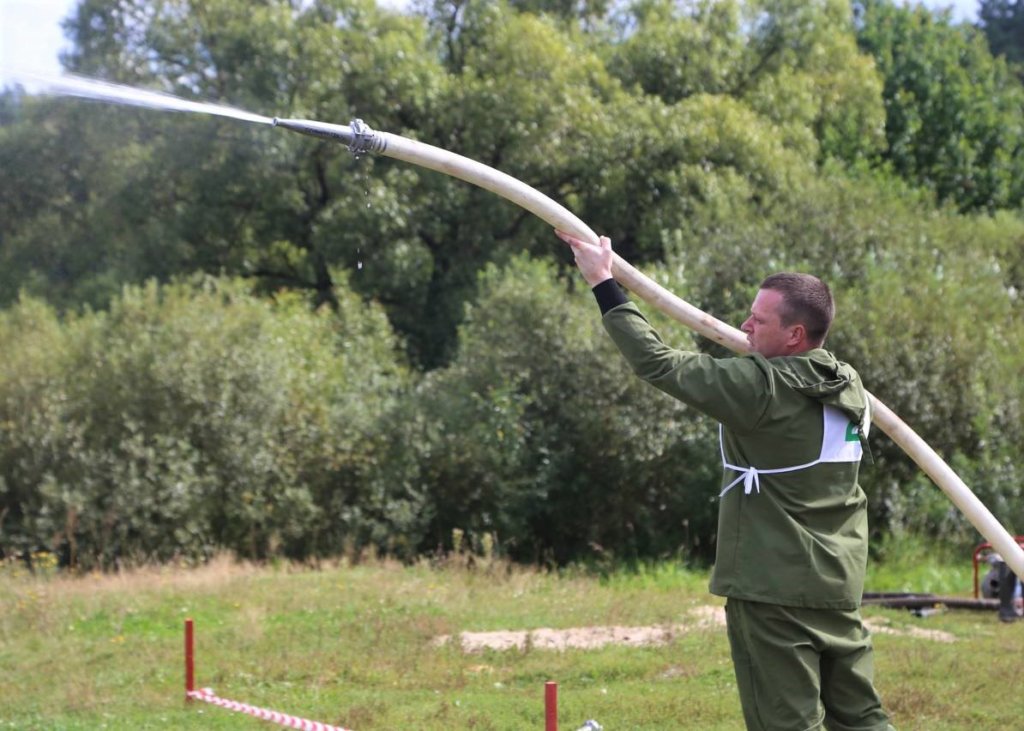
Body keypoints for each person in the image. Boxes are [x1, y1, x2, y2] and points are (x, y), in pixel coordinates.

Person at [558, 231, 895, 731]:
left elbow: (657, 363)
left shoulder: (761, 388)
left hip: (774, 588)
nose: (744, 326)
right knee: (861, 718)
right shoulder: (847, 382)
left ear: (795, 336)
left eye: (758, 321)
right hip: (837, 581)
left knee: (786, 722)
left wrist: (603, 282)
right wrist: (763, 344)